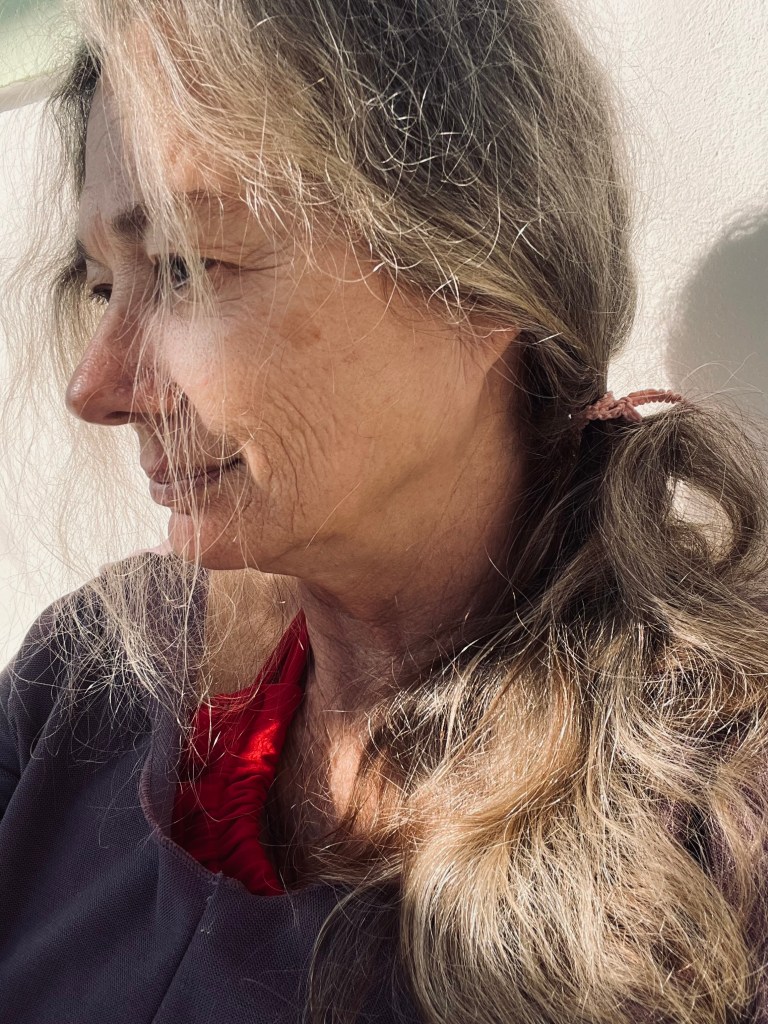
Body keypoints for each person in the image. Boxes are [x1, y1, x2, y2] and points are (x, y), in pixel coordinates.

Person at [1, 0, 768, 1021]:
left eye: (185, 267)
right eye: (103, 287)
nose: (96, 389)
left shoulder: (716, 831)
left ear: (479, 278)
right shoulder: (86, 683)